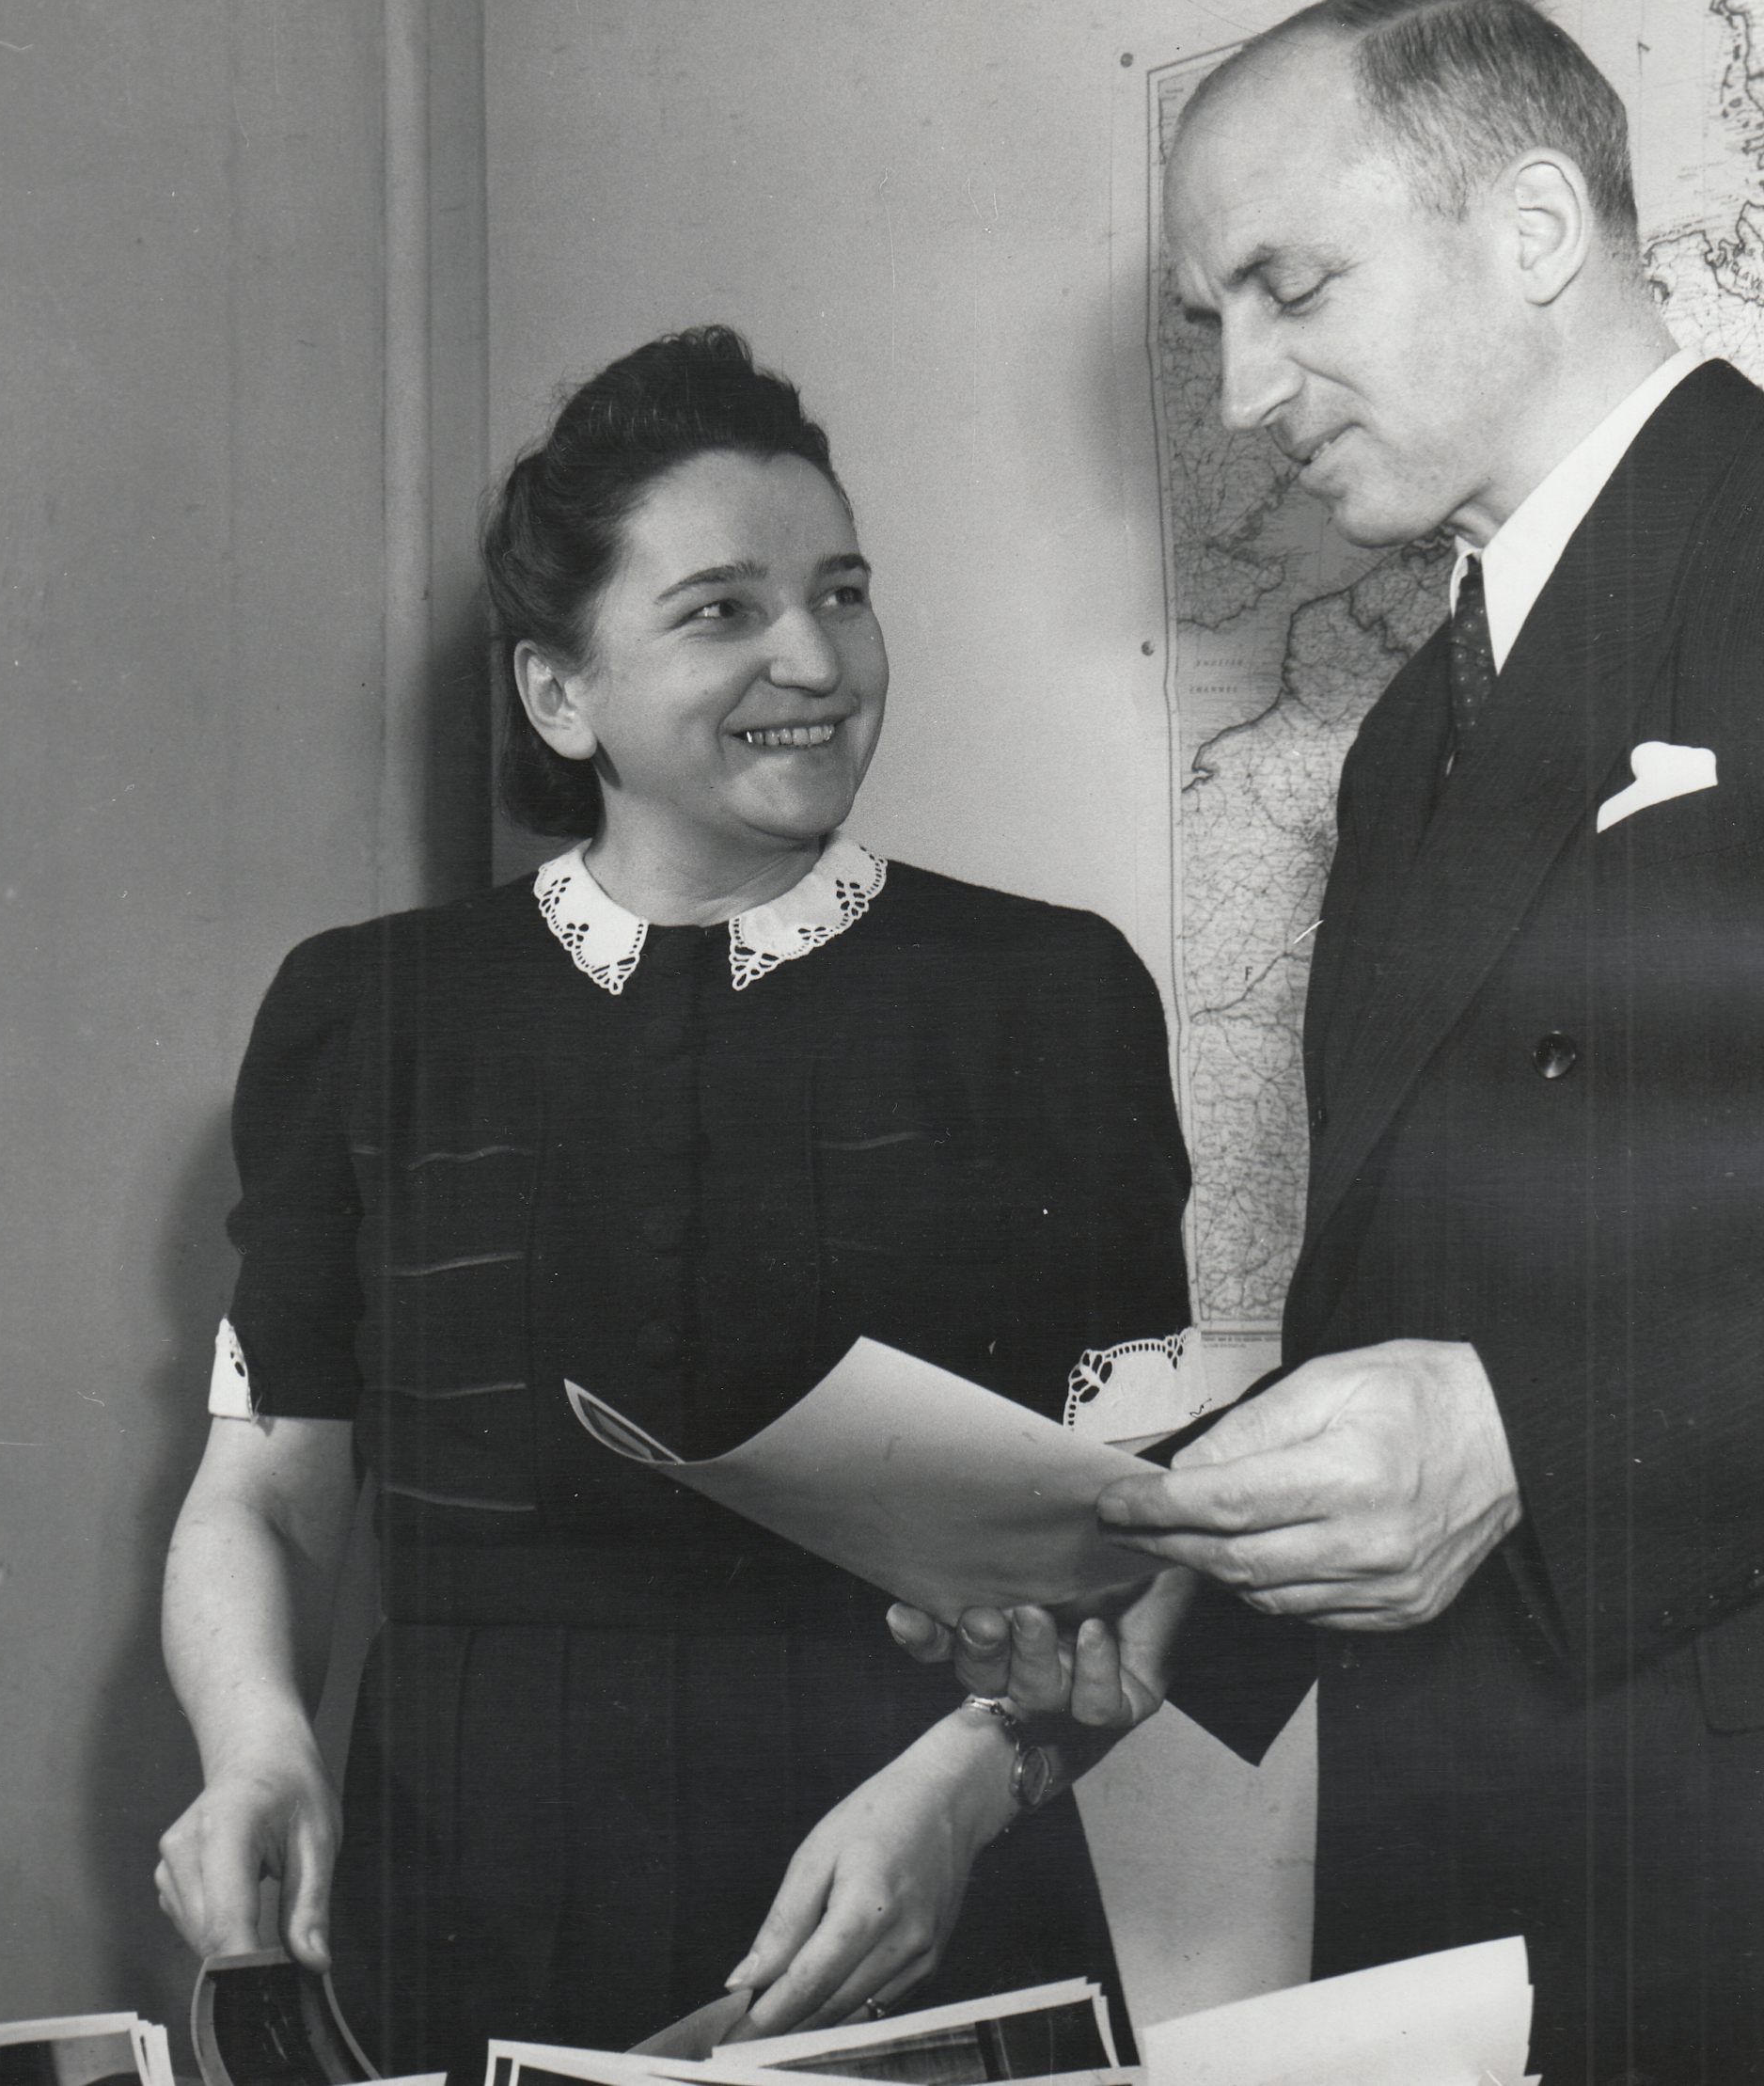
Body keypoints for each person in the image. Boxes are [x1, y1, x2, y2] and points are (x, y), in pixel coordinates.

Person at [153, 326, 1194, 2078]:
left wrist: (974, 1787)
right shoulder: (366, 1011)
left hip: (917, 1877)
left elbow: (1156, 1516)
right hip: (466, 1898)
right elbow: (260, 1494)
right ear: (560, 696)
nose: (818, 658)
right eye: (723, 610)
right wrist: (256, 1747)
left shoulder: (1047, 992)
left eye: (844, 592)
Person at [902, 0, 1764, 2083]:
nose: (1246, 390)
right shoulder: (1404, 737)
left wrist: (1533, 1437)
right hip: (1473, 1859)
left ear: (1535, 227)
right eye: (1217, 321)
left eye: (1290, 288)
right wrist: (1167, 1574)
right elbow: (1413, 1301)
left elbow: (1515, 1397)